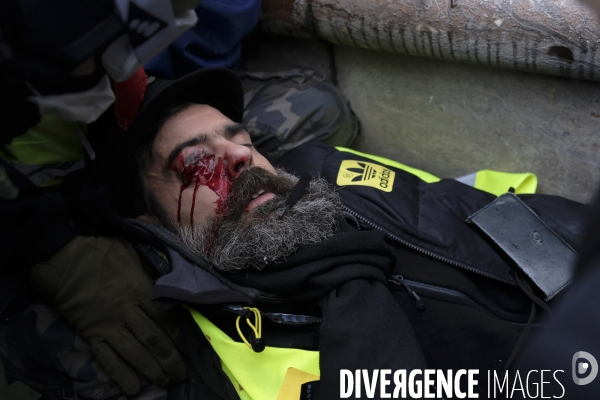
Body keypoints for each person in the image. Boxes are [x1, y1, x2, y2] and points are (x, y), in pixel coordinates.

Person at [3, 68, 590, 400]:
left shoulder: (331, 173)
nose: (237, 157)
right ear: (151, 222)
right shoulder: (202, 347)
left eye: (240, 139)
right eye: (195, 162)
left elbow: (488, 202)